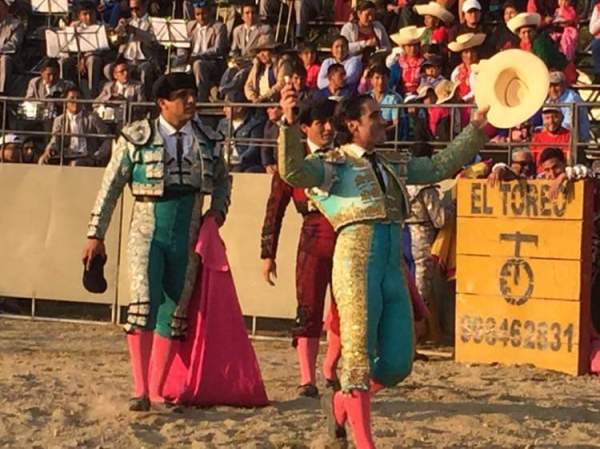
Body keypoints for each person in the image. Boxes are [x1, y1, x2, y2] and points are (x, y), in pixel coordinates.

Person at [277, 83, 489, 447]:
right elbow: (293, 172)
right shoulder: (331, 163)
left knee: (398, 362)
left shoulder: (391, 163)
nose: (382, 120)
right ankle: (365, 443)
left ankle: (341, 403)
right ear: (352, 124)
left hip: (392, 266)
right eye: (374, 115)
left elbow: (439, 165)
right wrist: (286, 123)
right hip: (356, 262)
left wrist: (479, 128)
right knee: (357, 357)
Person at [81, 73, 231, 412]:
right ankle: (140, 389)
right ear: (162, 103)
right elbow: (110, 188)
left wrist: (216, 214)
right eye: (182, 96)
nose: (190, 101)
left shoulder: (208, 139)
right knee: (142, 305)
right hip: (147, 229)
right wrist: (95, 234)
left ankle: (158, 390)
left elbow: (223, 181)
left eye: (192, 94)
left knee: (175, 312)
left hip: (189, 232)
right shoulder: (136, 137)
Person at [260, 97, 341, 397]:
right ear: (305, 127)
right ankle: (307, 378)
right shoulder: (293, 159)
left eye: (330, 122)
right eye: (320, 123)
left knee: (345, 309)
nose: (328, 128)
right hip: (312, 237)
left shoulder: (345, 155)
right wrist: (267, 253)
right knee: (308, 307)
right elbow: (275, 208)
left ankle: (330, 368)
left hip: (346, 238)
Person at [39, 86, 112, 166]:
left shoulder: (92, 118)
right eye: (72, 98)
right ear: (65, 102)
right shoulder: (59, 120)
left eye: (78, 98)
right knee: (42, 161)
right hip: (66, 155)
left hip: (88, 156)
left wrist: (99, 155)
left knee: (75, 164)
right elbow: (55, 139)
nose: (75, 101)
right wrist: (49, 150)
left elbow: (107, 138)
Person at [61, 0, 109, 98]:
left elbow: (101, 49)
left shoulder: (102, 27)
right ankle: (67, 91)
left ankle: (92, 93)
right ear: (79, 16)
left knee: (93, 60)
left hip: (97, 56)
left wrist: (84, 58)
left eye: (91, 13)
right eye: (85, 14)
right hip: (78, 56)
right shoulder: (76, 27)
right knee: (65, 62)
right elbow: (70, 46)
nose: (89, 17)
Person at [116, 0, 163, 97]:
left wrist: (135, 31)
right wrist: (118, 30)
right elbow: (115, 41)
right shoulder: (128, 21)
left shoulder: (153, 22)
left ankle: (145, 101)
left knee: (145, 70)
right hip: (127, 61)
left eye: (136, 8)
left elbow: (153, 41)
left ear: (145, 5)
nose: (134, 12)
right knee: (109, 69)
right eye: (131, 9)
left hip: (145, 60)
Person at [185, 0, 229, 101]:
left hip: (212, 62)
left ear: (210, 12)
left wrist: (198, 56)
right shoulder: (190, 26)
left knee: (198, 64)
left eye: (204, 13)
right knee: (173, 63)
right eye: (198, 14)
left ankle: (201, 99)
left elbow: (217, 49)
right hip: (191, 59)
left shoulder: (219, 27)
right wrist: (183, 56)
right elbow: (184, 45)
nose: (201, 17)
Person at [216, 91, 265, 172]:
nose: (224, 110)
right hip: (223, 161)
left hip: (243, 164)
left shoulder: (255, 124)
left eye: (227, 106)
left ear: (239, 108)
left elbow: (253, 149)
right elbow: (216, 143)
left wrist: (238, 160)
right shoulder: (222, 123)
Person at [546, 70, 590, 143]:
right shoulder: (549, 100)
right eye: (550, 86)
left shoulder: (571, 99)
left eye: (556, 85)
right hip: (559, 137)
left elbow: (567, 126)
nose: (552, 89)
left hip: (575, 141)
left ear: (563, 85)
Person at [390, 26, 425, 95]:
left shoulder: (425, 63)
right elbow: (391, 83)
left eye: (415, 45)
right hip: (402, 96)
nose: (413, 49)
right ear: (404, 47)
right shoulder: (398, 64)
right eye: (409, 46)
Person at [0, 0, 23, 95]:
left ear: (6, 9)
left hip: (11, 57)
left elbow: (13, 45)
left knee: (5, 60)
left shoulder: (16, 24)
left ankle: (1, 93)